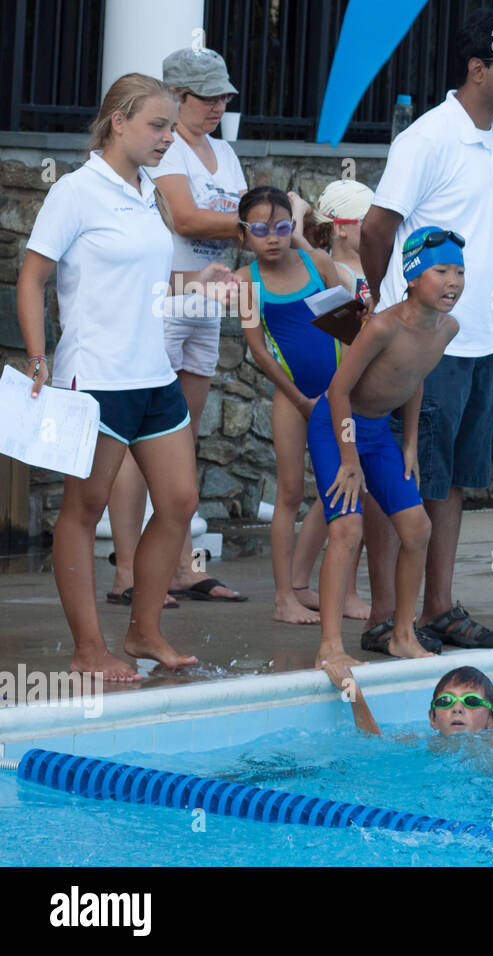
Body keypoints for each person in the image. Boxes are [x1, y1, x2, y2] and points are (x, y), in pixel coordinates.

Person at [16, 73, 239, 680]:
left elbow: (146, 286)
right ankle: (89, 648)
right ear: (118, 122)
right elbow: (32, 277)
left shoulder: (148, 193)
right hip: (96, 377)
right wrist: (39, 357)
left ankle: (142, 632)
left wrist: (199, 286)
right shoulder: (76, 192)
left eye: (171, 126)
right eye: (158, 125)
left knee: (179, 503)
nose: (169, 137)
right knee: (84, 511)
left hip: (151, 373)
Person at [360, 9, 493, 650]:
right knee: (400, 478)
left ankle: (437, 607)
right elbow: (378, 227)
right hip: (424, 341)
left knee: (453, 479)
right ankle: (386, 614)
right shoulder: (428, 139)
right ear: (477, 68)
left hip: (477, 337)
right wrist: (391, 308)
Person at [105, 48, 248, 609]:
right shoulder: (164, 148)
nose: (217, 106)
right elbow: (186, 218)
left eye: (222, 96)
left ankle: (179, 566)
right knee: (136, 441)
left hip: (205, 302)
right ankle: (125, 573)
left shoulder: (224, 152)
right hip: (165, 301)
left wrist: (261, 229)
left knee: (180, 439)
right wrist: (258, 225)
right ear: (179, 95)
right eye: (206, 96)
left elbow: (236, 221)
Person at [307, 225, 468, 668]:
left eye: (459, 271)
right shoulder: (381, 326)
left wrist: (411, 443)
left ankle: (401, 633)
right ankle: (330, 648)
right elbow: (339, 390)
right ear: (413, 278)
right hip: (337, 428)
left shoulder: (446, 328)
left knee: (417, 529)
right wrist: (348, 459)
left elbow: (413, 380)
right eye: (441, 271)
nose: (453, 281)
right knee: (346, 530)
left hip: (379, 434)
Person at [235, 186, 371, 625]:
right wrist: (300, 400)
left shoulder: (317, 263)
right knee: (290, 493)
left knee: (351, 485)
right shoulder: (245, 281)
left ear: (291, 228)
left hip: (340, 395)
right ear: (244, 235)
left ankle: (347, 592)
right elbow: (259, 351)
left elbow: (352, 325)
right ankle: (284, 597)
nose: (272, 238)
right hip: (293, 399)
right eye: (260, 230)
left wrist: (344, 392)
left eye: (280, 227)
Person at [322, 663, 493, 797]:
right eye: (446, 702)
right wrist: (352, 690)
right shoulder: (423, 743)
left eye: (471, 702)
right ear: (433, 718)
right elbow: (373, 744)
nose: (457, 709)